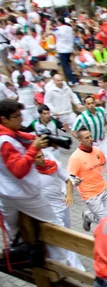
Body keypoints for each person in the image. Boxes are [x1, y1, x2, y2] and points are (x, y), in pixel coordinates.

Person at [0, 99, 69, 264]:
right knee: (54, 226)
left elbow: (24, 135)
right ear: (4, 119)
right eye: (16, 116)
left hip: (6, 193)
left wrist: (40, 139)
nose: (21, 119)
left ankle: (21, 255)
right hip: (25, 193)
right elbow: (19, 170)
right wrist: (33, 148)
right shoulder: (5, 142)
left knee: (14, 229)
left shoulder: (8, 134)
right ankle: (61, 263)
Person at [34, 150, 84, 271]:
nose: (42, 158)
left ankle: (64, 264)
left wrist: (69, 195)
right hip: (49, 211)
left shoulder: (53, 165)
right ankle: (76, 268)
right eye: (38, 157)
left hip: (62, 206)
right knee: (64, 237)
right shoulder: (30, 173)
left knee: (66, 231)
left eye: (42, 155)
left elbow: (68, 180)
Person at [68, 129, 107, 232]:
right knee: (106, 221)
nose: (90, 139)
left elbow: (106, 167)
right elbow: (70, 177)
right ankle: (89, 216)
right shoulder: (75, 158)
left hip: (104, 188)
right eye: (86, 138)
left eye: (90, 136)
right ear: (80, 140)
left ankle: (90, 216)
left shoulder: (97, 151)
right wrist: (74, 182)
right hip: (90, 195)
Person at [71, 96, 107, 169]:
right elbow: (73, 131)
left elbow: (105, 120)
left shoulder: (101, 110)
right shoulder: (82, 117)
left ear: (95, 103)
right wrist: (82, 139)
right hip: (92, 144)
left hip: (103, 141)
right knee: (93, 166)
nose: (91, 105)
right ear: (85, 105)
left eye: (92, 103)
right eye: (88, 104)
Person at [51, 17, 77, 86]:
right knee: (70, 64)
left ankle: (73, 80)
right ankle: (74, 77)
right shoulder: (69, 28)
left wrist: (48, 26)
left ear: (59, 22)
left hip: (62, 50)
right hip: (70, 48)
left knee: (65, 66)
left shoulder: (58, 29)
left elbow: (50, 32)